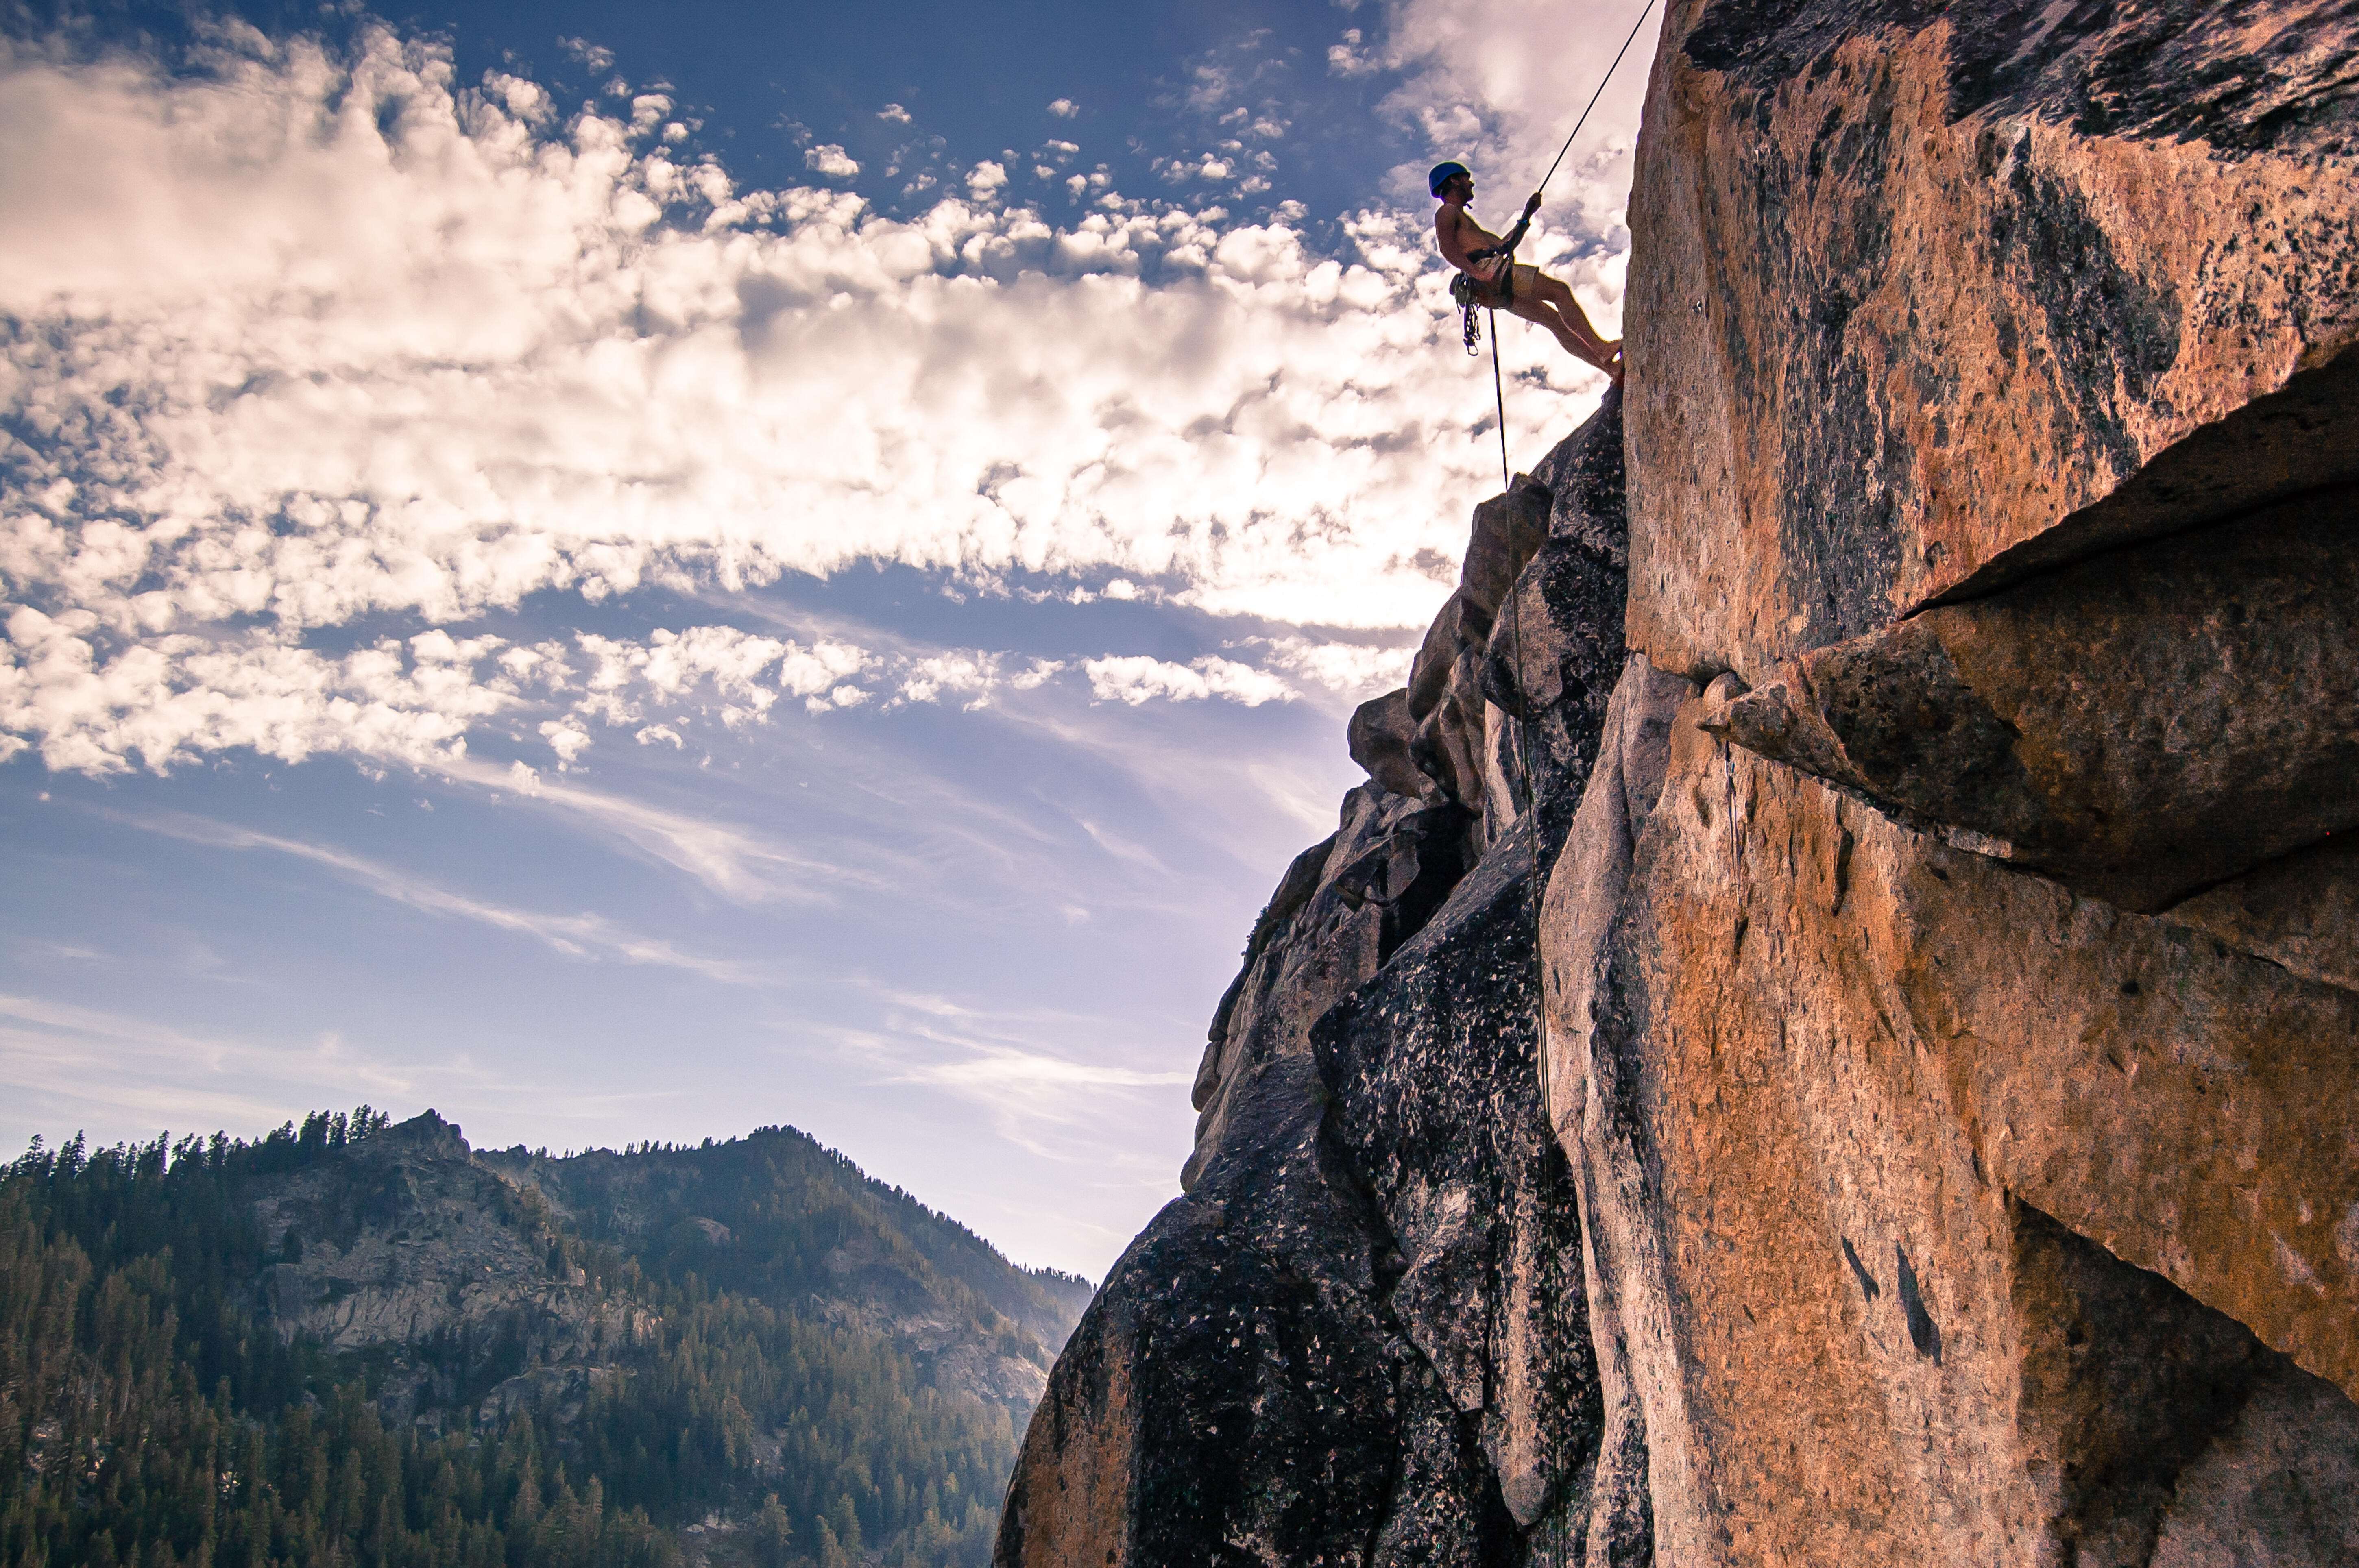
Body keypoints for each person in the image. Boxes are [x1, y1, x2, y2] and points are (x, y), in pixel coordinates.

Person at [1430, 161, 1623, 383]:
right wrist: (1478, 273)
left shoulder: (1465, 221)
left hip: (1490, 282)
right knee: (1559, 291)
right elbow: (1447, 248)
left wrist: (1527, 214)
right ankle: (1602, 349)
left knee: (1555, 321)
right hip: (1489, 272)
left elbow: (1504, 245)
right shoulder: (1447, 212)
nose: (1471, 183)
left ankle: (1611, 370)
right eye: (1466, 179)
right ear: (1454, 180)